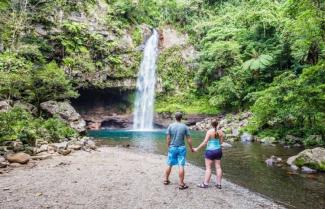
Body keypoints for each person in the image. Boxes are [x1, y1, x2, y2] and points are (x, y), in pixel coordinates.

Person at [164, 112, 194, 190]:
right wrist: (191, 148)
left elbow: (168, 138)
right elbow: (188, 139)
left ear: (175, 117)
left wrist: (168, 147)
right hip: (181, 148)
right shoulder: (184, 127)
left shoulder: (170, 126)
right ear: (181, 118)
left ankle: (166, 180)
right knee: (181, 165)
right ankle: (181, 184)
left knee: (169, 164)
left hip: (172, 147)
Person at [193, 119, 223, 189]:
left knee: (208, 168)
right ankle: (219, 184)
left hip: (210, 151)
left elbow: (205, 142)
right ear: (217, 124)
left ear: (211, 124)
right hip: (218, 150)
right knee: (218, 167)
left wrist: (197, 149)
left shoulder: (209, 132)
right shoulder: (221, 132)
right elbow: (221, 143)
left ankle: (205, 184)